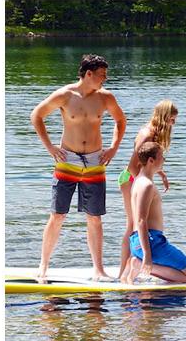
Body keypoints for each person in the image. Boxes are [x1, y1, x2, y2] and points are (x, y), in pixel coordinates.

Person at [30, 54, 126, 280]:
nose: (105, 79)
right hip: (67, 161)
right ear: (89, 74)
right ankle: (43, 267)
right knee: (57, 215)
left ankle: (98, 270)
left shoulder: (105, 98)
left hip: (95, 162)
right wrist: (50, 147)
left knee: (94, 217)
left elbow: (120, 121)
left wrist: (113, 147)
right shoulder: (65, 95)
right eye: (102, 75)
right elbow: (36, 116)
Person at [118, 100, 177, 282]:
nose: (173, 124)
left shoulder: (154, 133)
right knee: (132, 225)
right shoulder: (147, 134)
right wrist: (142, 186)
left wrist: (161, 174)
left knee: (134, 225)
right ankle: (122, 272)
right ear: (163, 117)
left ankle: (129, 268)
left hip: (136, 178)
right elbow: (134, 165)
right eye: (171, 120)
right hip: (129, 178)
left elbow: (147, 163)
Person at [126, 142, 186, 284]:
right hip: (152, 242)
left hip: (137, 242)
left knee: (185, 273)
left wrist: (160, 173)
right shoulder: (147, 185)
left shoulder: (138, 180)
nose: (164, 160)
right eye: (161, 157)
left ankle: (139, 263)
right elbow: (141, 220)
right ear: (151, 160)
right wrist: (147, 255)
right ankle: (139, 264)